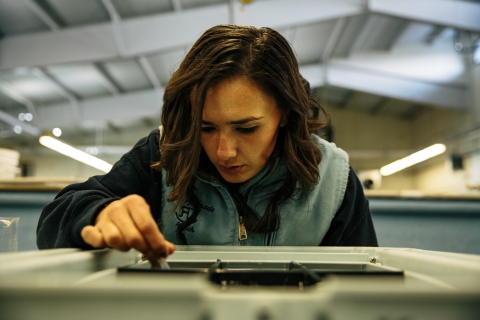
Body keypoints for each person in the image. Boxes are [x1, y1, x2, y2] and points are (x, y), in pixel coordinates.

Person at [37, 24, 377, 264]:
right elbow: (54, 220)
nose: (223, 152)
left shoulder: (336, 179)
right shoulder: (163, 153)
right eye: (206, 127)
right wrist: (99, 213)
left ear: (285, 113)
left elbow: (362, 294)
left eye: (246, 128)